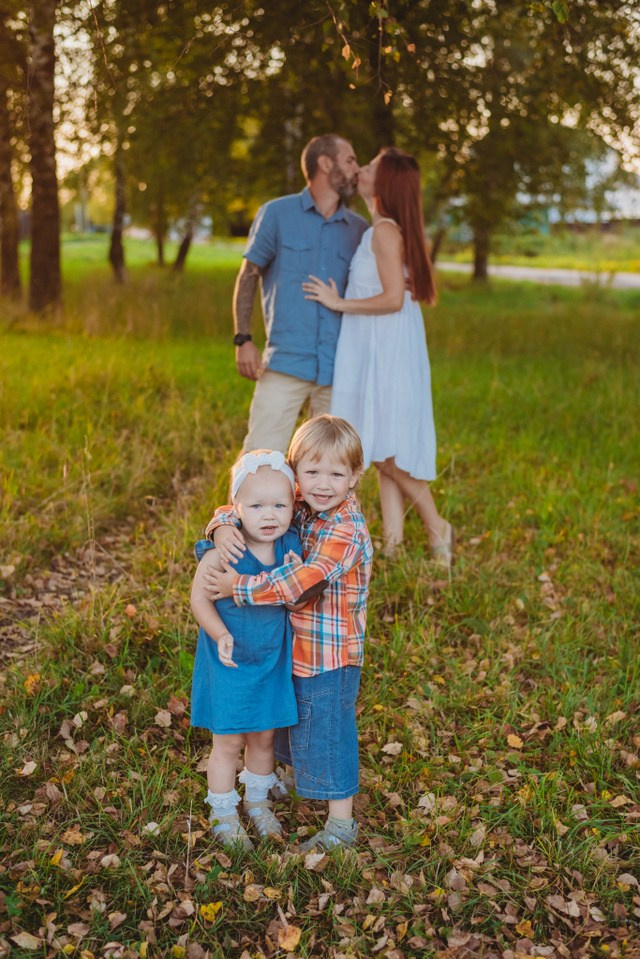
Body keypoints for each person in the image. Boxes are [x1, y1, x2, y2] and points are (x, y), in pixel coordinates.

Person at [204, 415, 373, 852]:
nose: (322, 484)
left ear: (355, 477)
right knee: (287, 721)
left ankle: (340, 825)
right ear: (296, 472)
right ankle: (276, 779)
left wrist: (237, 587)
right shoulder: (300, 502)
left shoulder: (346, 528)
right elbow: (250, 499)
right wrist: (222, 525)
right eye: (311, 472)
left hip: (330, 657)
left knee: (328, 732)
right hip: (290, 649)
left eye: (336, 474)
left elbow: (301, 582)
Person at [303, 147, 454, 566]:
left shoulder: (384, 231)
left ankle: (436, 523)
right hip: (381, 345)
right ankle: (393, 543)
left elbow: (390, 299)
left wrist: (338, 303)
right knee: (381, 445)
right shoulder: (383, 229)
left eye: (369, 168)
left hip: (384, 348)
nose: (362, 171)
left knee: (384, 451)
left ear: (383, 183)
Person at [190, 450, 301, 851]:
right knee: (228, 741)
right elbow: (199, 600)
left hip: (271, 660)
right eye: (256, 506)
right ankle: (223, 811)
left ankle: (256, 801)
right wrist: (219, 633)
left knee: (264, 737)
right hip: (230, 662)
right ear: (235, 509)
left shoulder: (292, 545)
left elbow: (298, 596)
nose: (269, 514)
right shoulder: (226, 550)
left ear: (293, 504)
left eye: (279, 504)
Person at [232, 134, 368, 453]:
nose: (356, 169)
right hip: (286, 361)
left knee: (331, 468)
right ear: (325, 163)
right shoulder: (276, 214)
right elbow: (248, 275)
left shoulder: (359, 229)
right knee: (260, 458)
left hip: (339, 367)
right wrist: (243, 338)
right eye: (350, 160)